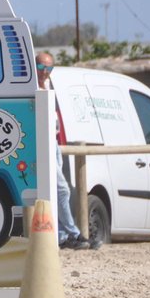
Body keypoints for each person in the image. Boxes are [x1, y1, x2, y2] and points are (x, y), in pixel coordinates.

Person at [37, 52, 93, 251]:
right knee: (62, 189)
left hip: (53, 141)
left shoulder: (49, 86)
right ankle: (74, 233)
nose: (44, 72)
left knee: (57, 189)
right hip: (42, 142)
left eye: (49, 68)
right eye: (42, 67)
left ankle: (62, 235)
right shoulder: (33, 86)